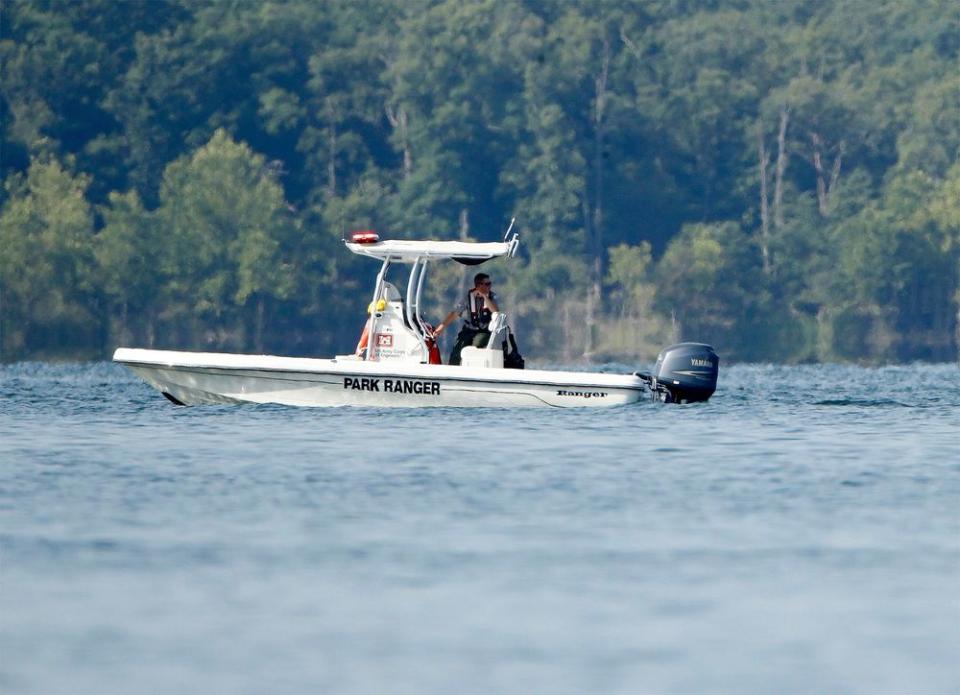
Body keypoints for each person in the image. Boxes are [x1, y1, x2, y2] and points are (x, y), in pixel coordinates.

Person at [433, 272, 499, 365]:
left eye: (490, 284)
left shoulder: (492, 296)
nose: (489, 286)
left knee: (477, 345)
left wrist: (484, 296)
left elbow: (495, 311)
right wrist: (441, 328)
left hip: (484, 331)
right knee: (457, 350)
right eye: (487, 284)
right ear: (478, 285)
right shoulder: (468, 297)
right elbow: (455, 313)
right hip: (469, 330)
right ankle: (452, 370)